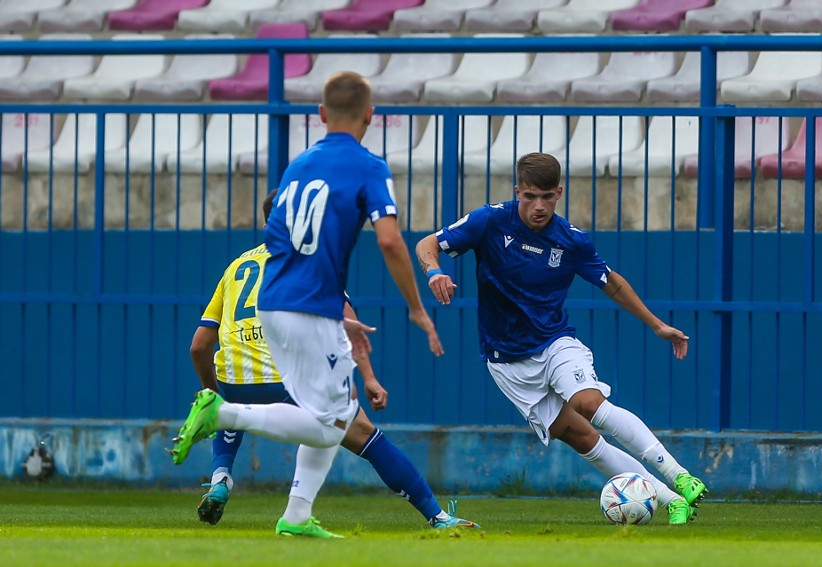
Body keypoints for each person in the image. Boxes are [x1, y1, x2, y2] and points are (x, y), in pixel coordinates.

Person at [171, 70, 443, 538]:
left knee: (333, 412)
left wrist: (331, 313)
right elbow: (392, 242)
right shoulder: (369, 166)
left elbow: (281, 246)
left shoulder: (297, 166)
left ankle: (296, 516)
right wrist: (416, 308)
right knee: (334, 425)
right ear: (370, 115)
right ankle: (222, 413)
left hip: (276, 303)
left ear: (320, 115)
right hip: (308, 307)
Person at [414, 152, 708, 525]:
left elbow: (612, 283)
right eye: (530, 197)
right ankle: (671, 502)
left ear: (559, 193)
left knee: (588, 402)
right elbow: (427, 245)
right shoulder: (488, 221)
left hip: (555, 343)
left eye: (547, 197)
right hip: (506, 360)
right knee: (581, 437)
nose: (538, 206)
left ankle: (678, 474)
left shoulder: (571, 240)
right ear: (517, 191)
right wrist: (434, 273)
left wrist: (656, 324)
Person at [188, 189, 478, 531]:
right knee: (363, 434)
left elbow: (199, 345)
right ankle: (437, 516)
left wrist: (213, 390)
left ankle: (221, 475)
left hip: (236, 378)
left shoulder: (236, 266)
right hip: (287, 380)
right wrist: (368, 378)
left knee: (236, 403)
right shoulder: (310, 261)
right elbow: (348, 326)